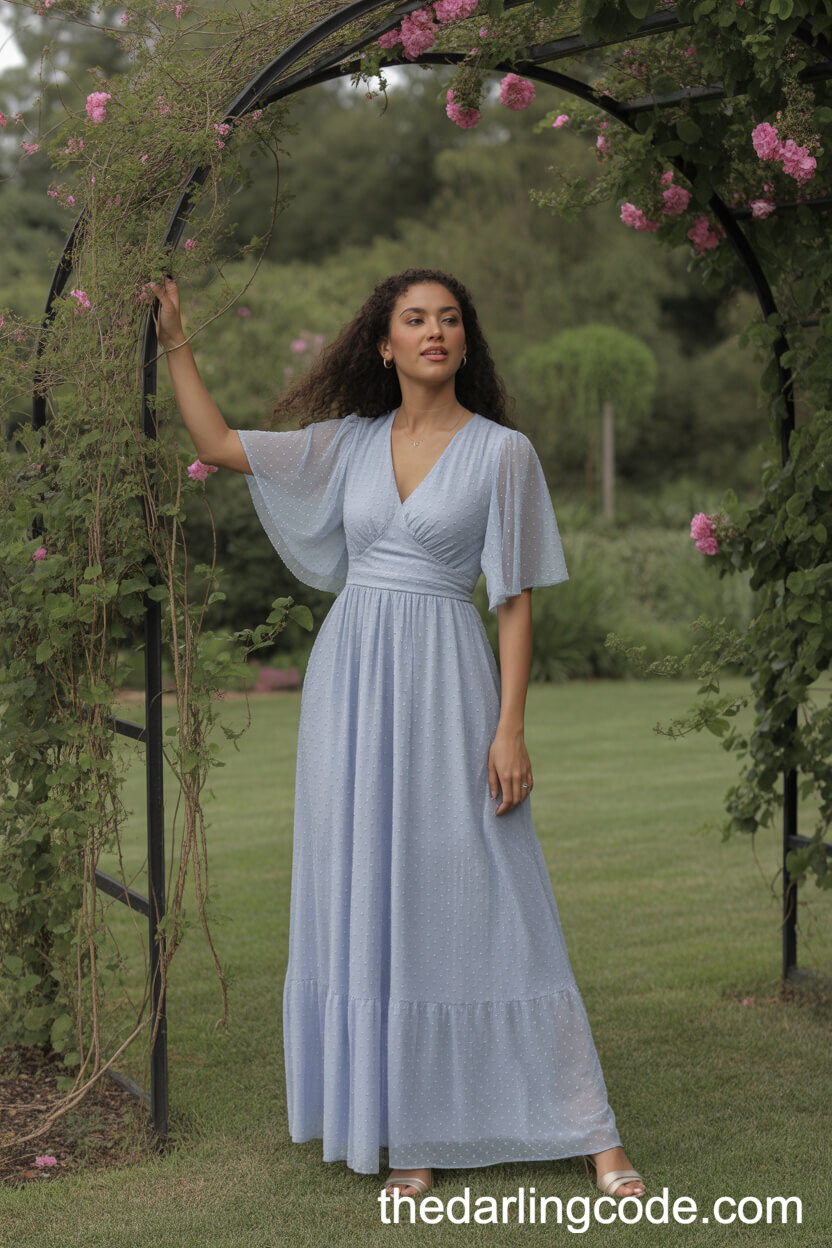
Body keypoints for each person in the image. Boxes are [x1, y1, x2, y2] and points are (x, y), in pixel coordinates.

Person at [147, 266, 646, 1204]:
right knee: (372, 889)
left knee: (494, 887)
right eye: (414, 319)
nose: (433, 332)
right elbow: (215, 444)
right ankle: (407, 1131)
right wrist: (176, 334)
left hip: (449, 684)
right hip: (350, 687)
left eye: (449, 319)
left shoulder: (503, 454)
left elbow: (515, 602)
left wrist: (511, 730)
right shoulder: (347, 446)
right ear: (383, 343)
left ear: (465, 343)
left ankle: (591, 1128)